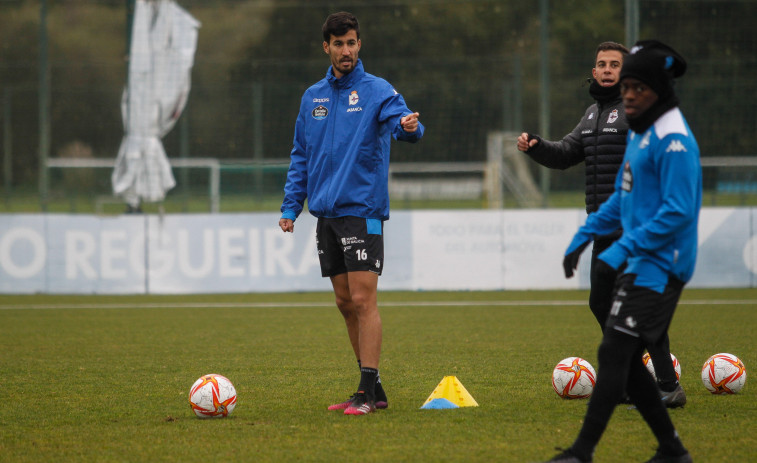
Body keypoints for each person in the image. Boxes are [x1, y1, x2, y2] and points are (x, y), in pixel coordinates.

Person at [547, 40, 700, 463]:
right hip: (641, 258)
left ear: (658, 90)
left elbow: (677, 213)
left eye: (638, 87)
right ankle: (671, 447)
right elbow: (622, 196)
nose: (628, 95)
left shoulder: (673, 139)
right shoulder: (642, 131)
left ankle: (582, 452)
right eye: (626, 87)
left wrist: (622, 249)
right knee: (620, 353)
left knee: (616, 351)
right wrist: (585, 236)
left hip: (664, 264)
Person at [517, 42, 684, 407]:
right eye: (601, 64)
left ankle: (667, 385)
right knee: (601, 303)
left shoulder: (639, 111)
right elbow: (565, 154)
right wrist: (536, 146)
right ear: (593, 73)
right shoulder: (592, 114)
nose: (607, 69)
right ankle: (640, 381)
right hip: (603, 228)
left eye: (614, 64)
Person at [278, 11, 424, 416]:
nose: (347, 50)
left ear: (360, 45)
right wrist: (292, 205)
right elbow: (300, 156)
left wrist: (410, 127)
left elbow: (403, 124)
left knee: (363, 299)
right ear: (326, 46)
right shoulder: (313, 97)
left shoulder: (378, 91)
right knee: (344, 302)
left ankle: (364, 393)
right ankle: (374, 390)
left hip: (363, 210)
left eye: (352, 42)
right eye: (339, 43)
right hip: (326, 214)